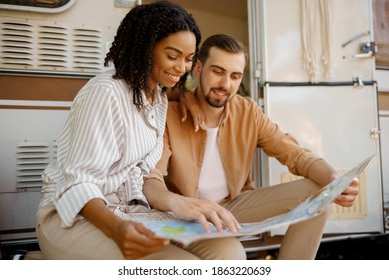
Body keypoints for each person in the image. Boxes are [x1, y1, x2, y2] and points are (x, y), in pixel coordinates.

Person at [143, 34, 360, 259]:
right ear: (198, 68)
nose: (225, 85)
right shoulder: (170, 114)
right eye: (217, 72)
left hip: (233, 206)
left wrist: (335, 180)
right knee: (233, 256)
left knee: (321, 194)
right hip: (187, 215)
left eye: (235, 76)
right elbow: (152, 176)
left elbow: (296, 155)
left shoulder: (248, 111)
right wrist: (176, 203)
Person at [36, 1, 205, 260]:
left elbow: (142, 174)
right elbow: (79, 183)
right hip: (75, 217)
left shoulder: (158, 100)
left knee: (223, 248)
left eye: (188, 59)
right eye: (172, 56)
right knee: (178, 264)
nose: (182, 68)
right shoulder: (105, 93)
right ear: (146, 48)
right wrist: (116, 229)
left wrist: (175, 202)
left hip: (125, 211)